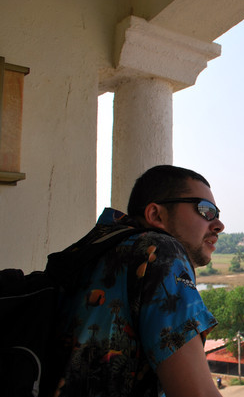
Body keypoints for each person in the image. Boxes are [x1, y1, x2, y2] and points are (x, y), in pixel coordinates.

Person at [53, 165, 225, 397]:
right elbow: (198, 393)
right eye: (205, 210)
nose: (218, 225)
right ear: (156, 215)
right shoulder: (160, 251)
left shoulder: (95, 251)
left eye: (217, 214)